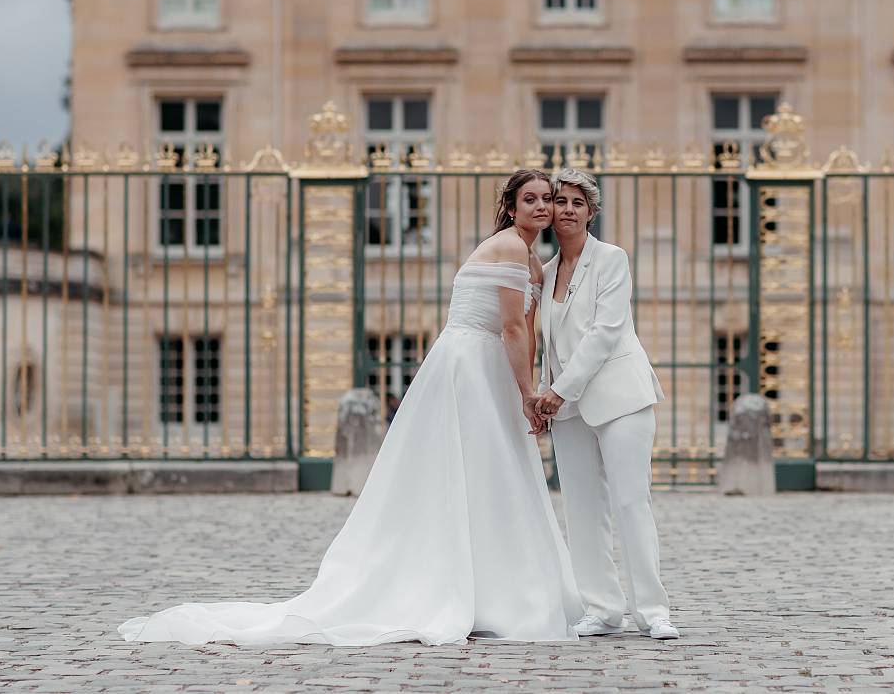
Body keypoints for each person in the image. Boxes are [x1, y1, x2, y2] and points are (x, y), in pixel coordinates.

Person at [119, 169, 583, 646]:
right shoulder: (508, 248)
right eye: (530, 199)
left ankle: (492, 586)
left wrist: (525, 387)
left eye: (548, 198)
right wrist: (529, 394)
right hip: (471, 365)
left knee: (489, 474)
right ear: (510, 207)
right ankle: (486, 590)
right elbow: (511, 328)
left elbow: (527, 331)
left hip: (488, 366)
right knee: (479, 472)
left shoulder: (531, 258)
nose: (542, 207)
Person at [535, 168, 678, 640]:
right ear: (549, 211)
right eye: (561, 202)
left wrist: (559, 391)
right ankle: (602, 607)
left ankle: (654, 610)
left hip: (619, 398)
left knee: (631, 501)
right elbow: (547, 344)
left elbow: (604, 333)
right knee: (581, 506)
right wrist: (543, 396)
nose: (568, 209)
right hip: (568, 408)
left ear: (591, 212)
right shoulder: (545, 270)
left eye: (578, 202)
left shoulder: (612, 259)